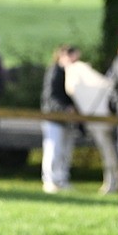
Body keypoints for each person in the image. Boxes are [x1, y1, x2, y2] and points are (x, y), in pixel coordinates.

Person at [41, 45, 80, 193]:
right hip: (54, 117)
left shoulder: (71, 73)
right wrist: (65, 108)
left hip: (68, 119)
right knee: (53, 149)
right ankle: (50, 180)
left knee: (65, 151)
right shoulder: (55, 71)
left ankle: (62, 179)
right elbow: (51, 96)